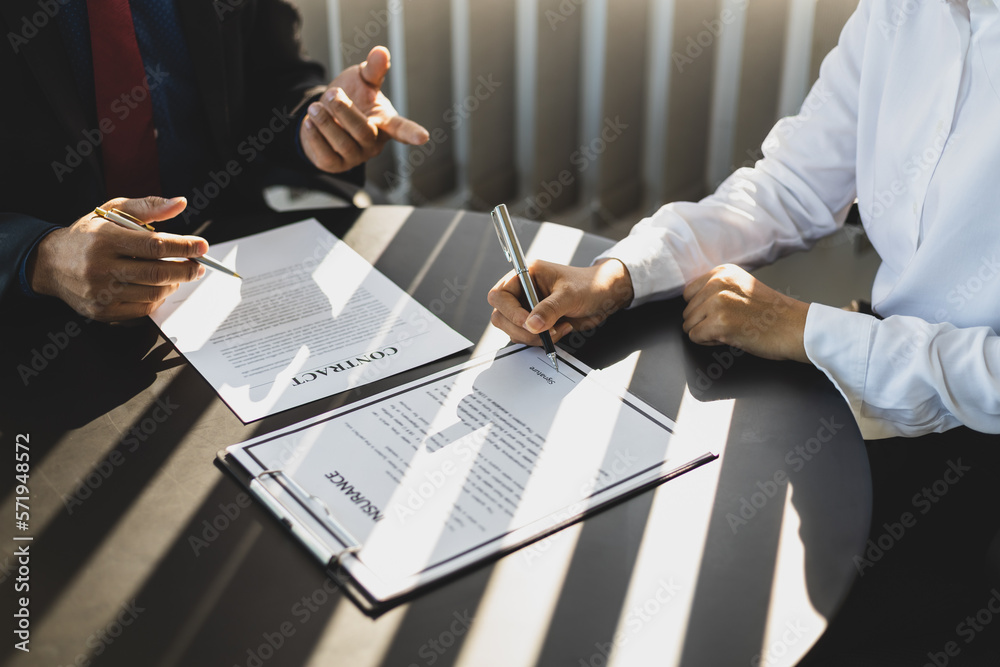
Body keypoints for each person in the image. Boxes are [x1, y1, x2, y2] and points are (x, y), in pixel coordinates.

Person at [489, 0, 1000, 660]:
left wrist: (804, 329)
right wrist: (619, 274)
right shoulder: (899, 12)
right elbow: (787, 186)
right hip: (880, 365)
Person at [0, 0, 428, 322]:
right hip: (39, 309)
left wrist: (317, 121)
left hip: (220, 260)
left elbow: (276, 78)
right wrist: (42, 258)